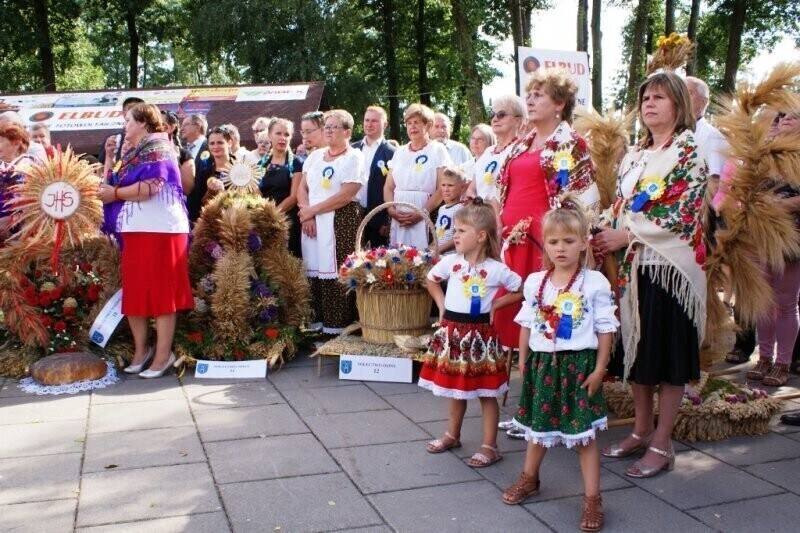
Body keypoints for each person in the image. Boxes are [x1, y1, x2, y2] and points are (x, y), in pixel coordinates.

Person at [593, 71, 708, 477]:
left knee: (668, 356)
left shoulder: (688, 150)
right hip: (634, 269)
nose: (649, 103)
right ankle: (641, 430)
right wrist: (598, 228)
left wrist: (624, 234)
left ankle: (663, 442)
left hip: (668, 269)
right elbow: (623, 204)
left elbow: (681, 213)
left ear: (678, 104)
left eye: (659, 97)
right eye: (645, 98)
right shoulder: (636, 154)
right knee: (638, 353)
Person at [502, 198, 616, 533]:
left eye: (569, 241)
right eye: (553, 242)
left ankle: (593, 498)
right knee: (538, 429)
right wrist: (523, 360)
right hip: (542, 366)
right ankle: (529, 478)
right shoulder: (536, 281)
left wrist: (599, 369)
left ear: (583, 243)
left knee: (584, 437)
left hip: (578, 368)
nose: (561, 248)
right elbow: (526, 323)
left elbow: (605, 328)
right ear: (545, 244)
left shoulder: (594, 283)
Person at [493, 68, 599, 354]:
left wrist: (569, 240)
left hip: (546, 241)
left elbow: (584, 200)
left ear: (559, 103)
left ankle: (543, 373)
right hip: (513, 239)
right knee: (511, 312)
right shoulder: (519, 145)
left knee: (543, 310)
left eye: (538, 95)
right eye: (528, 95)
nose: (529, 100)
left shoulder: (572, 143)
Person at [421, 198, 522, 467]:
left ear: (480, 236)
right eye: (455, 230)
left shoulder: (496, 269)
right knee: (457, 389)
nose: (455, 236)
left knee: (487, 393)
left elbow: (521, 289)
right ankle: (452, 434)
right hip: (453, 334)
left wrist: (497, 304)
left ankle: (490, 446)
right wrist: (441, 306)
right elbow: (431, 279)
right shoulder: (450, 262)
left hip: (480, 338)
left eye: (461, 231)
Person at [96, 103, 193, 378]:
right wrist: (109, 159)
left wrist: (115, 193)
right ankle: (142, 351)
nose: (124, 125)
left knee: (162, 293)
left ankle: (163, 355)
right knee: (136, 292)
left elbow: (153, 187)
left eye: (128, 120)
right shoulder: (131, 153)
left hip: (162, 229)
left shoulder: (160, 147)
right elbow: (108, 184)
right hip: (135, 228)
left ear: (143, 122)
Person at [745, 109, 800, 387]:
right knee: (763, 298)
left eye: (793, 116)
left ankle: (783, 362)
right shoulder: (765, 152)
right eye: (782, 116)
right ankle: (763, 357)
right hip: (759, 233)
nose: (785, 120)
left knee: (786, 302)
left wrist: (781, 205)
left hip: (791, 235)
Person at [297, 110, 365, 334]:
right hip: (312, 220)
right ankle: (316, 327)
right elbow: (302, 188)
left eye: (333, 126)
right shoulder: (315, 156)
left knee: (336, 270)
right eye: (326, 126)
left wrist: (311, 212)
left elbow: (346, 194)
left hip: (341, 220)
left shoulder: (353, 157)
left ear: (347, 132)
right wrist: (306, 212)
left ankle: (339, 328)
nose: (327, 130)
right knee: (314, 268)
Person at [384, 104, 451, 248]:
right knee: (397, 259)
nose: (412, 127)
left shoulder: (437, 150)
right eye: (409, 123)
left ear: (428, 125)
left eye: (417, 122)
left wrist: (423, 213)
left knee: (423, 259)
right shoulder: (399, 152)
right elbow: (389, 187)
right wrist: (391, 211)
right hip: (398, 215)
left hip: (427, 212)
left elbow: (442, 188)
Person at [465, 95, 527, 207]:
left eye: (501, 114)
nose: (495, 119)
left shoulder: (521, 149)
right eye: (492, 115)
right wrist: (476, 201)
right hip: (483, 216)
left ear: (518, 120)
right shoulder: (488, 151)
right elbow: (472, 189)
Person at [352, 105, 396, 247]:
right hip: (353, 214)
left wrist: (386, 219)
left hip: (378, 217)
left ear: (385, 124)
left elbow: (394, 188)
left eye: (374, 121)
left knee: (377, 262)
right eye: (366, 120)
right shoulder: (352, 149)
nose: (369, 124)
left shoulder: (392, 152)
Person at [258, 118, 302, 257]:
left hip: (288, 221)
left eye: (287, 134)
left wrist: (273, 216)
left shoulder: (297, 163)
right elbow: (257, 194)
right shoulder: (261, 164)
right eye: (278, 133)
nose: (283, 138)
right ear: (270, 135)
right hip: (265, 222)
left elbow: (294, 197)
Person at [188, 126, 235, 219]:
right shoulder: (204, 172)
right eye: (212, 143)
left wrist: (225, 193)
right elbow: (199, 203)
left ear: (229, 143)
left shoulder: (240, 168)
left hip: (236, 222)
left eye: (220, 142)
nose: (215, 147)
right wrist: (210, 193)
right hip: (212, 223)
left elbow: (249, 198)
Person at [0, 123, 31, 243]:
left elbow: (36, 203)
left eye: (1, 141)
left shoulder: (30, 167)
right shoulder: (2, 165)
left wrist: (12, 220)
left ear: (16, 143)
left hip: (20, 236)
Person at [97, 96, 143, 165]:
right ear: (124, 114)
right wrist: (109, 156)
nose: (124, 126)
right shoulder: (114, 139)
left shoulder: (151, 145)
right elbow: (101, 169)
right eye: (127, 120)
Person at [160, 110, 195, 195]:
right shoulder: (142, 152)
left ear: (170, 128)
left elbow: (187, 190)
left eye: (158, 124)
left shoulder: (184, 156)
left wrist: (175, 161)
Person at [435, 167, 466, 255]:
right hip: (439, 254)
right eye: (443, 185)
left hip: (452, 255)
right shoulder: (442, 209)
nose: (446, 189)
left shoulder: (460, 209)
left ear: (462, 188)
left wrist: (439, 249)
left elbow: (459, 235)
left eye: (450, 185)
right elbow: (438, 233)